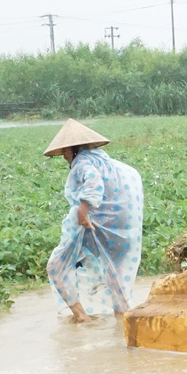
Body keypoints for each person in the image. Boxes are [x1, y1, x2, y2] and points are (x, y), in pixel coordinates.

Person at [43, 119, 144, 323]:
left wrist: (83, 210)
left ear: (73, 150)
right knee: (116, 278)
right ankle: (122, 325)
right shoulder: (111, 164)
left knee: (56, 265)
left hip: (94, 226)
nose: (65, 157)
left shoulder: (83, 163)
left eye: (65, 153)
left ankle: (81, 317)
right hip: (122, 230)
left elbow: (93, 182)